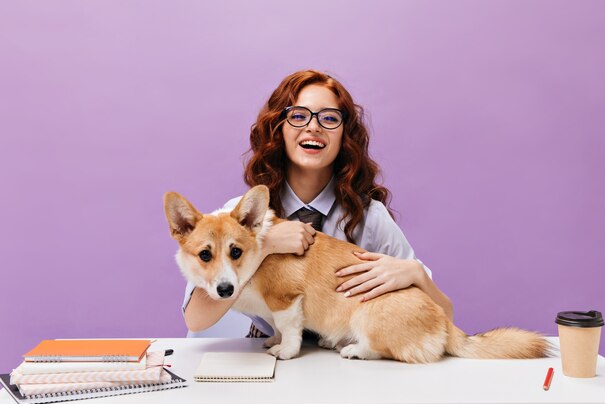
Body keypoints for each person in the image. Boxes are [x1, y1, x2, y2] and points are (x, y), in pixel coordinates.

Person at [181, 70, 453, 338]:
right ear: (279, 129)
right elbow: (196, 320)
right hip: (269, 348)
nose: (314, 126)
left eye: (329, 118)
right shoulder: (238, 218)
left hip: (350, 350)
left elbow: (444, 318)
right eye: (298, 116)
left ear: (344, 136)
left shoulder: (369, 217)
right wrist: (266, 245)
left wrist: (416, 273)